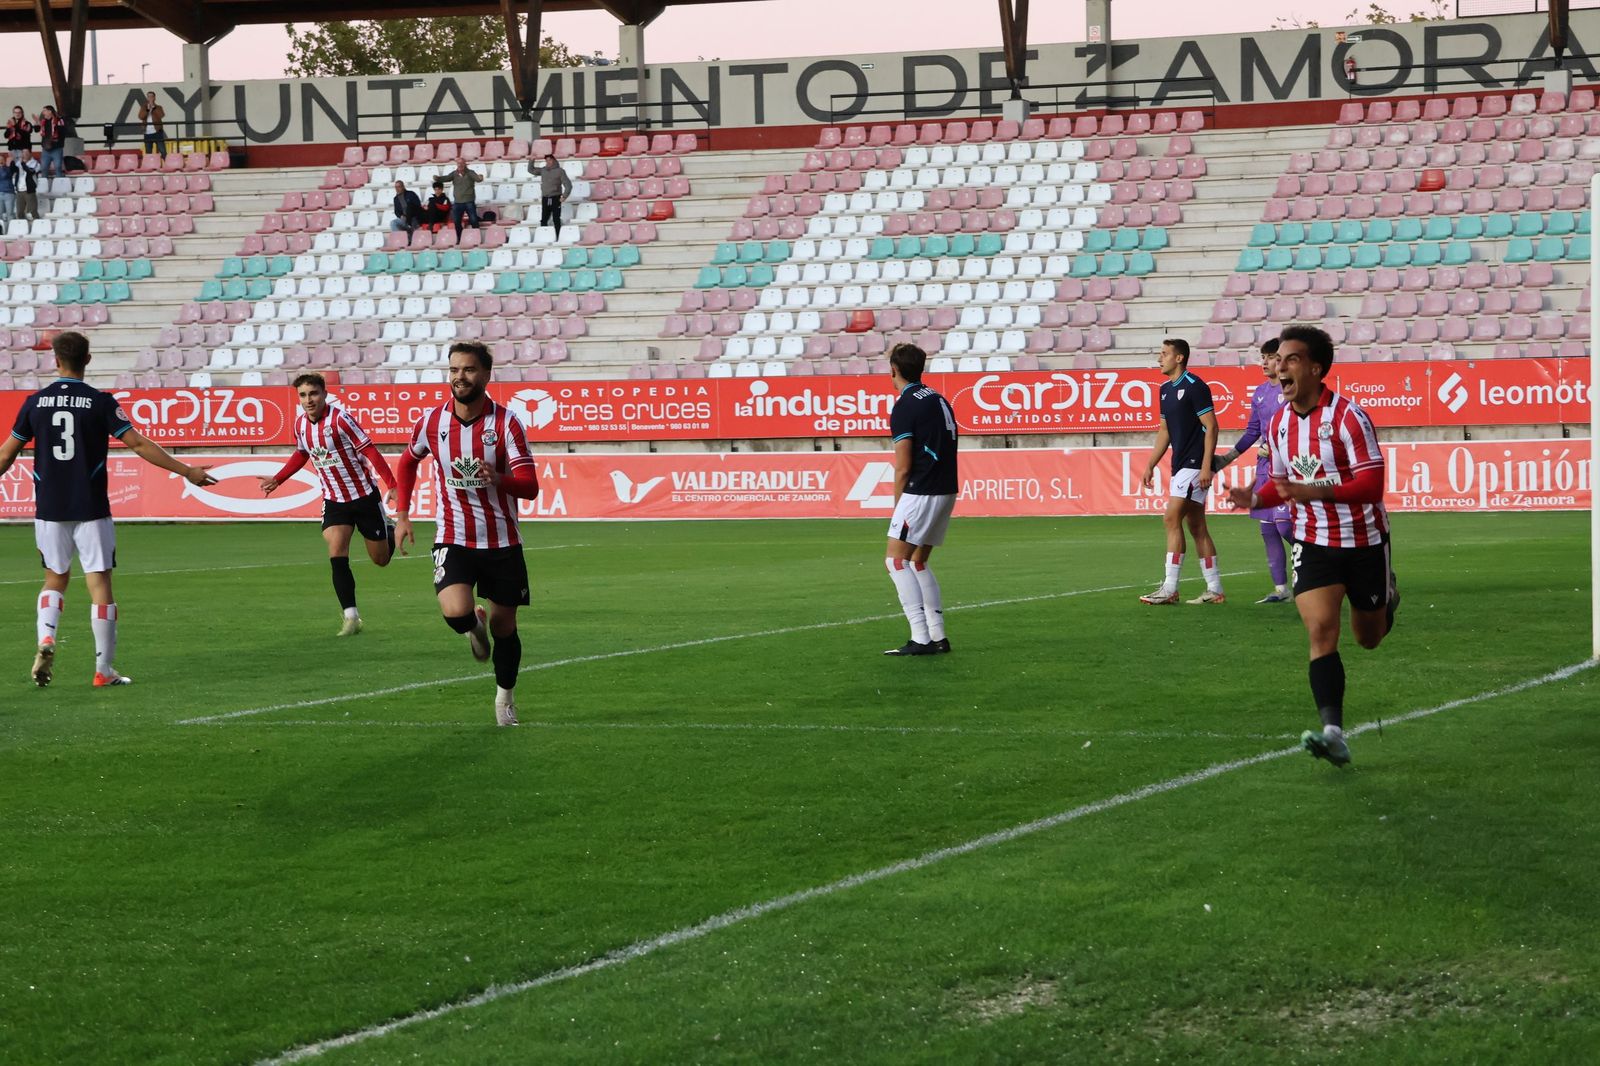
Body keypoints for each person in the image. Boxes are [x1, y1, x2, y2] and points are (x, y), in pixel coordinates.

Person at [0, 331, 216, 687]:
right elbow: (139, 444)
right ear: (88, 359)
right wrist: (187, 471)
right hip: (90, 505)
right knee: (99, 583)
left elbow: (7, 454)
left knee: (55, 578)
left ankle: (47, 638)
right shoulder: (100, 402)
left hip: (49, 505)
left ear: (55, 360)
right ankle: (103, 671)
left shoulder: (34, 403)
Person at [1228, 324, 1398, 768]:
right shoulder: (1280, 421)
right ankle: (1333, 733)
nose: (1279, 367)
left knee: (1369, 638)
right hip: (1313, 540)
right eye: (1278, 359)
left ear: (1316, 369)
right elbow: (1282, 487)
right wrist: (1256, 496)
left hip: (1363, 539)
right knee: (1321, 631)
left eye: (1291, 359)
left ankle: (1387, 595)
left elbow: (1373, 483)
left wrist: (1314, 491)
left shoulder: (1348, 417)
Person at [393, 342, 541, 726]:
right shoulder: (431, 422)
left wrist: (499, 478)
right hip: (453, 535)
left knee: (504, 626)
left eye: (469, 370)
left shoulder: (507, 424)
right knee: (455, 612)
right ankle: (472, 626)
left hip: (501, 541)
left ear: (486, 375)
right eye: (455, 369)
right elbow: (407, 462)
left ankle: (504, 698)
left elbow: (529, 486)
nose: (460, 377)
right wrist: (403, 514)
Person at [257, 372, 397, 636]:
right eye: (303, 395)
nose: (309, 400)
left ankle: (387, 530)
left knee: (380, 560)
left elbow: (369, 450)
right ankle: (351, 617)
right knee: (336, 550)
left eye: (313, 393)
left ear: (324, 394)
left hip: (364, 497)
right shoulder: (300, 425)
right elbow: (301, 453)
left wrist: (392, 484)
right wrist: (278, 479)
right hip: (334, 500)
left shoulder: (341, 420)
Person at [881, 342, 958, 656]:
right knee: (918, 561)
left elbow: (903, 465)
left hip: (921, 490)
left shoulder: (905, 405)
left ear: (894, 370)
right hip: (946, 488)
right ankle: (938, 636)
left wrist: (898, 504)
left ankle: (920, 638)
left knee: (895, 560)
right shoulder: (938, 398)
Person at [1138, 337, 1225, 605]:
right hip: (1180, 466)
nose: (1159, 358)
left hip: (1194, 465)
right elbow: (1164, 431)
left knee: (1170, 519)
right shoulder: (1164, 390)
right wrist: (1151, 463)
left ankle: (1170, 588)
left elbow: (1212, 426)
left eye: (1164, 353)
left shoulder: (1195, 386)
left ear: (1179, 358)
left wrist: (1206, 466)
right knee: (1197, 526)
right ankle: (1215, 589)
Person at [1214, 338, 1293, 603]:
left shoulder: (1292, 389)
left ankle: (1326, 559)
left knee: (1285, 527)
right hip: (1263, 469)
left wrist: (1275, 449)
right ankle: (1282, 590)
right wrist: (1229, 457)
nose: (1265, 362)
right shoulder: (1259, 393)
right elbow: (1252, 431)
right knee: (1268, 529)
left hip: (1290, 469)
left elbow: (1298, 427)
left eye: (1270, 356)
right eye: (1263, 357)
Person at [528, 153, 572, 240]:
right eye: (546, 160)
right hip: (545, 198)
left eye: (549, 160)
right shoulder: (543, 170)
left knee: (556, 219)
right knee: (544, 219)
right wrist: (532, 160)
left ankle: (558, 237)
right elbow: (531, 170)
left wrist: (564, 196)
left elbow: (568, 185)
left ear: (554, 160)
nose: (548, 162)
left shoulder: (560, 171)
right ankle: (544, 237)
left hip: (556, 198)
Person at [444, 159, 484, 238]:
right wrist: (438, 178)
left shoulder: (470, 173)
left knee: (473, 220)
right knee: (457, 222)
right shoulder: (454, 174)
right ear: (457, 164)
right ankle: (460, 238)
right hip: (458, 202)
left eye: (462, 163)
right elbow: (446, 178)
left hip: (469, 201)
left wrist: (480, 177)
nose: (460, 165)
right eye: (459, 163)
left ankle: (477, 237)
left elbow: (478, 179)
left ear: (465, 164)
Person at [37, 105, 67, 181]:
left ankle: (60, 185)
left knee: (58, 167)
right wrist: (37, 123)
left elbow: (63, 132)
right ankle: (44, 186)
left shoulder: (59, 120)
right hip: (46, 149)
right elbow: (37, 130)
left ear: (50, 111)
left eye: (44, 111)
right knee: (44, 168)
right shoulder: (43, 121)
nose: (43, 113)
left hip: (56, 148)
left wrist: (56, 126)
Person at [390, 179, 423, 244]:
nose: (397, 189)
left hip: (413, 218)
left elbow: (418, 206)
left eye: (399, 187)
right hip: (404, 219)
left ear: (403, 187)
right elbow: (396, 211)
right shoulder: (396, 199)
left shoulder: (411, 194)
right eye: (396, 187)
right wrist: (401, 216)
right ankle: (403, 241)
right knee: (393, 223)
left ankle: (410, 237)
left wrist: (409, 215)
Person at [11, 149, 39, 222]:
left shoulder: (35, 163)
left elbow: (30, 172)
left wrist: (22, 164)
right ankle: (23, 228)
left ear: (30, 154)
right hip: (19, 190)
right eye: (23, 152)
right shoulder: (18, 163)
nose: (24, 154)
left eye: (26, 153)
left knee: (32, 211)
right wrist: (12, 161)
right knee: (19, 212)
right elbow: (12, 171)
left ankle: (37, 226)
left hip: (29, 190)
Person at [138, 91, 167, 158]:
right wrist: (147, 110)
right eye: (148, 96)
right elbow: (140, 117)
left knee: (163, 152)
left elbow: (161, 115)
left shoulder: (158, 107)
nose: (150, 98)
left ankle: (167, 166)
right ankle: (150, 167)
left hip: (157, 132)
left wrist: (154, 108)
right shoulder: (143, 107)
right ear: (147, 98)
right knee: (148, 153)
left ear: (154, 98)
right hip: (147, 133)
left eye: (151, 96)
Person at [0, 154, 14, 225]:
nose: (1, 161)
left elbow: (5, 175)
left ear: (5, 161)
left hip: (9, 194)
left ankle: (11, 231)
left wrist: (2, 167)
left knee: (10, 214)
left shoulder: (8, 169)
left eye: (2, 159)